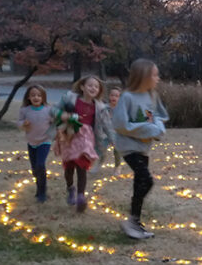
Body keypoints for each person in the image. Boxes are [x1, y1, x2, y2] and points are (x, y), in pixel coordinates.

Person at [113, 59, 169, 240]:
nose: (158, 78)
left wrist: (157, 128)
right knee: (146, 180)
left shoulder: (151, 95)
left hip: (144, 147)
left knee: (139, 183)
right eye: (154, 74)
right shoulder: (127, 97)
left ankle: (134, 221)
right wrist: (148, 129)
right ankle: (132, 220)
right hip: (129, 147)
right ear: (143, 76)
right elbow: (120, 124)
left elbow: (159, 117)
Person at [54, 75, 107, 212]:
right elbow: (54, 111)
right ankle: (70, 188)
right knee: (69, 167)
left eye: (96, 86)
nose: (93, 88)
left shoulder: (99, 107)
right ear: (82, 87)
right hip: (69, 135)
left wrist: (115, 139)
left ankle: (81, 196)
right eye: (90, 85)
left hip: (86, 137)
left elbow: (107, 125)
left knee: (82, 164)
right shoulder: (70, 99)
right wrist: (64, 115)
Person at [17, 84, 55, 202]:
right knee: (34, 169)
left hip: (45, 141)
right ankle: (39, 188)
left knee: (40, 165)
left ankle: (42, 193)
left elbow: (55, 123)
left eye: (39, 95)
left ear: (43, 97)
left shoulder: (48, 110)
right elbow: (19, 122)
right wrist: (23, 124)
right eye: (33, 95)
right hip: (31, 142)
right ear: (28, 97)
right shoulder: (25, 110)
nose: (36, 97)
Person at [107, 85, 123, 168]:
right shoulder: (105, 108)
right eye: (112, 95)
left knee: (117, 149)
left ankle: (117, 166)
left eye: (116, 96)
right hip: (105, 132)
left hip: (116, 132)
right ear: (109, 96)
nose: (114, 97)